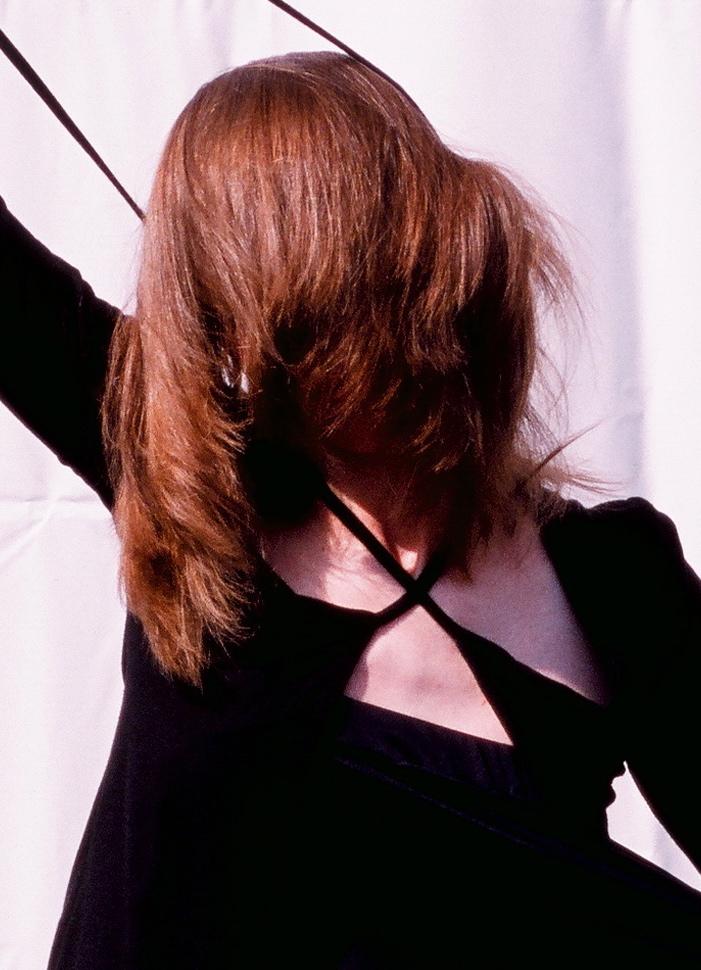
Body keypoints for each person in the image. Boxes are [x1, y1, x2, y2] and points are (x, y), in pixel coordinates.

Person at [2, 49, 701, 969]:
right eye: (284, 326)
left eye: (376, 302)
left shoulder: (615, 581)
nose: (329, 360)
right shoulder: (195, 483)